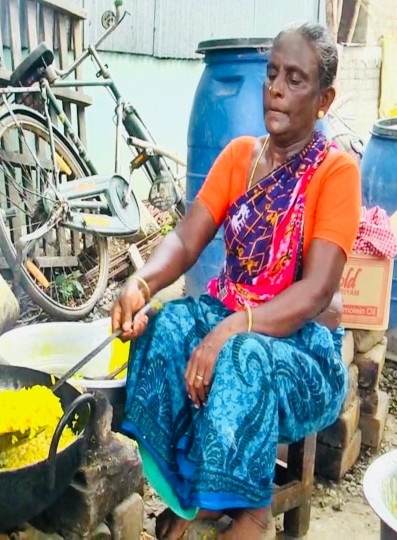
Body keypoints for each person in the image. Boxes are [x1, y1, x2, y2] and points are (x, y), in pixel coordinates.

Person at [111, 22, 361, 540]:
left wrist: (232, 330)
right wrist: (142, 283)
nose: (275, 87)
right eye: (272, 74)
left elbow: (316, 292)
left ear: (324, 99)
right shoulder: (239, 158)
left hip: (301, 353)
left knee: (240, 356)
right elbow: (184, 241)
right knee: (168, 324)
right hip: (234, 319)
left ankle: (249, 511)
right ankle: (194, 493)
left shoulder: (336, 174)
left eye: (295, 79)